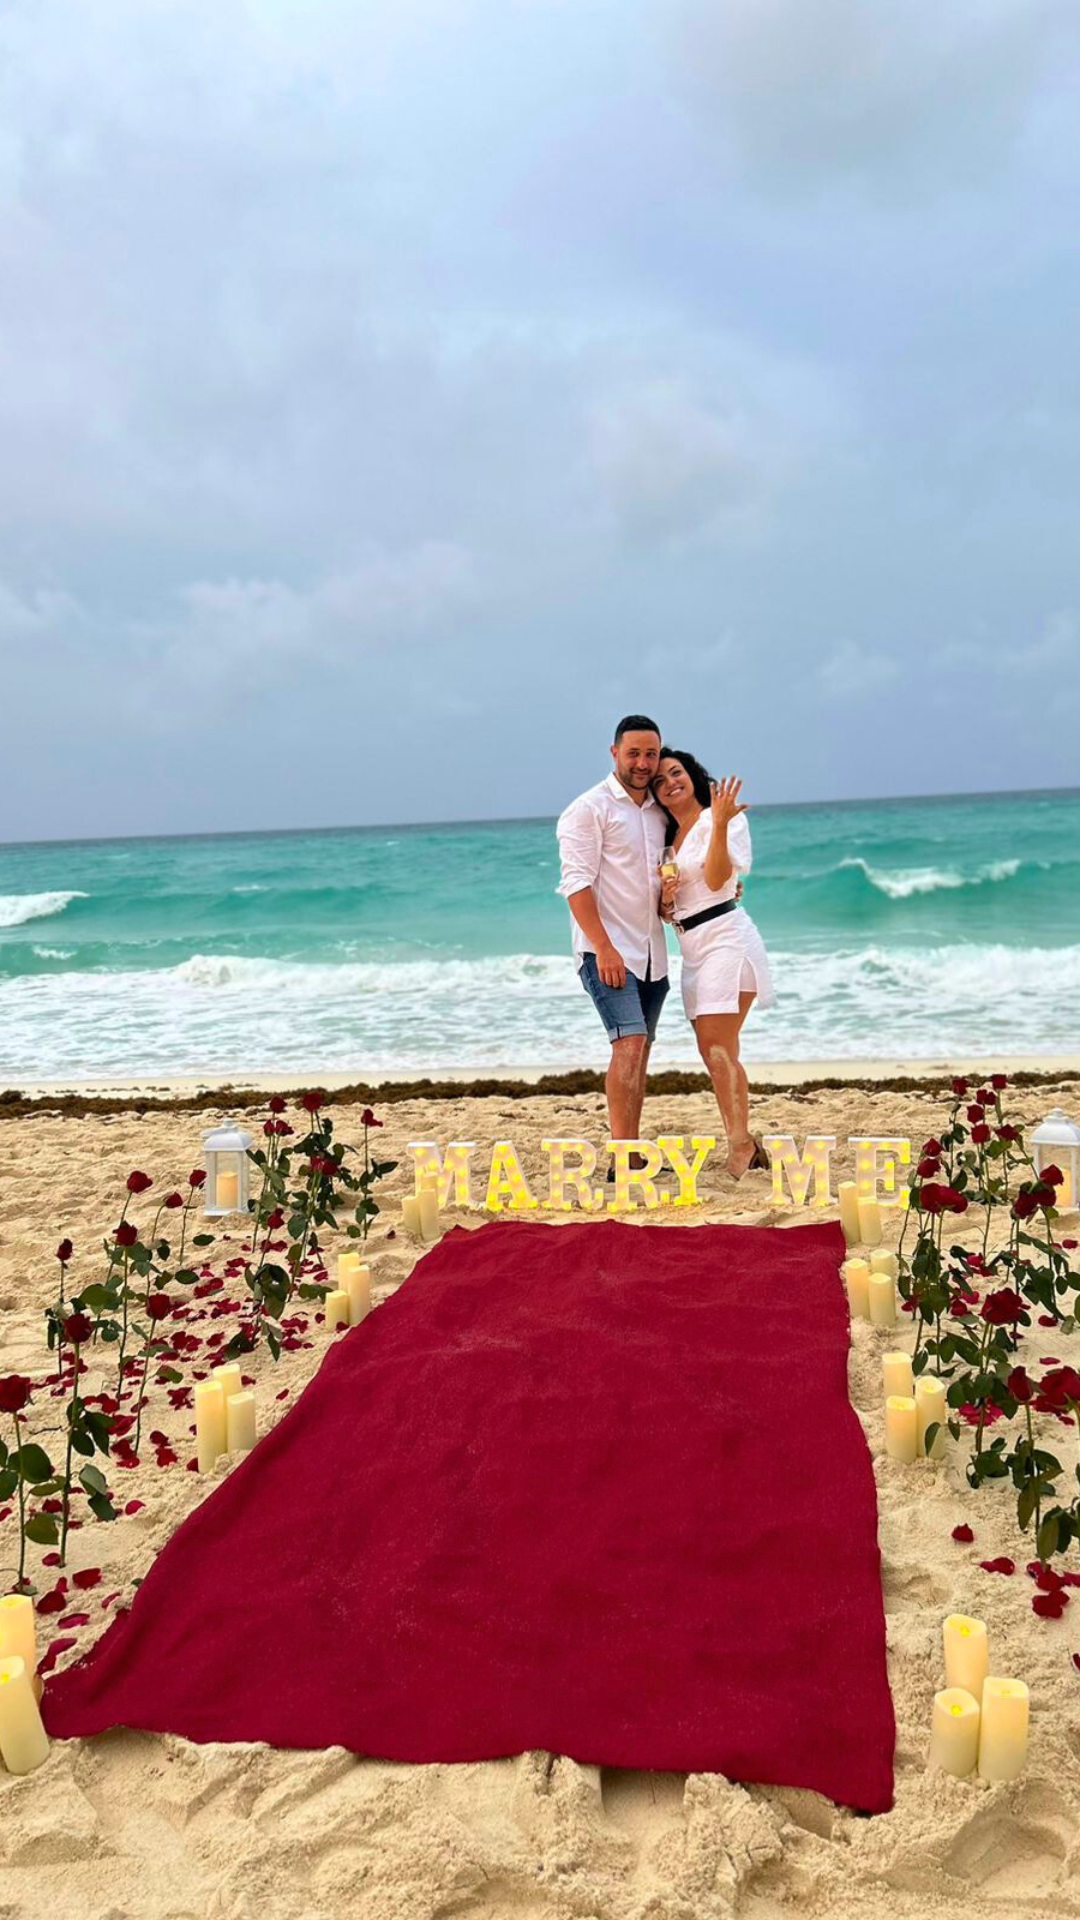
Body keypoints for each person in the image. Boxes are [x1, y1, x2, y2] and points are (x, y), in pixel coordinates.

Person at [651, 748, 775, 1180]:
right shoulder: (669, 836)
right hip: (692, 948)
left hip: (727, 939)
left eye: (676, 772)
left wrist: (720, 823)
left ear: (693, 774)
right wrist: (666, 903)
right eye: (660, 780)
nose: (670, 782)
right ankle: (743, 1142)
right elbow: (673, 905)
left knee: (717, 1047)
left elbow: (721, 879)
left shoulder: (721, 819)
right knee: (714, 1051)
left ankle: (741, 1146)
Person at [556, 716, 668, 1169]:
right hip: (607, 951)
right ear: (614, 753)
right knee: (628, 1044)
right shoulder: (588, 809)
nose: (643, 763)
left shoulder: (659, 811)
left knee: (640, 1052)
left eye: (651, 754)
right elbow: (576, 885)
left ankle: (632, 1152)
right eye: (634, 753)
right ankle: (621, 1162)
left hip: (652, 955)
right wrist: (603, 947)